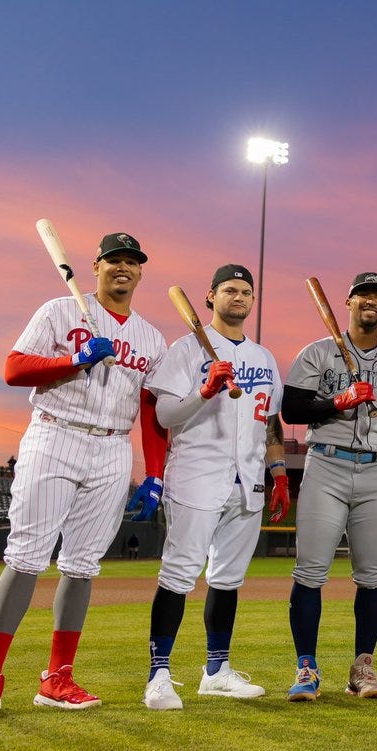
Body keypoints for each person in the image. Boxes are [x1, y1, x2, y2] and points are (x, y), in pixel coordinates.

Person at [0, 233, 167, 721]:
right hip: (56, 433)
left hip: (113, 445)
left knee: (82, 565)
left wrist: (154, 475)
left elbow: (151, 410)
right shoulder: (58, 310)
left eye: (131, 262)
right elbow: (14, 369)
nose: (123, 268)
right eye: (113, 260)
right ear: (94, 267)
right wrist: (73, 360)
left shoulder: (151, 338)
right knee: (27, 555)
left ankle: (57, 678)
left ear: (141, 272)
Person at [141, 265, 288, 711]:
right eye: (229, 290)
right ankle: (158, 675)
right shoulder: (185, 349)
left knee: (226, 580)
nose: (238, 297)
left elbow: (271, 423)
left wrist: (279, 474)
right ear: (211, 297)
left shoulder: (263, 358)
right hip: (197, 476)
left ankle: (216, 672)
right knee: (179, 575)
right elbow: (164, 416)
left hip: (248, 482)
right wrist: (205, 391)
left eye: (246, 291)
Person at [280, 272, 377, 702]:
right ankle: (306, 667)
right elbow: (291, 409)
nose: (371, 302)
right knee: (310, 571)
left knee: (373, 576)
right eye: (363, 295)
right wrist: (335, 402)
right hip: (327, 464)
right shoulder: (318, 353)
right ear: (349, 302)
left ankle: (363, 666)